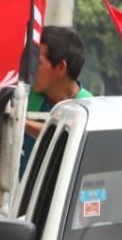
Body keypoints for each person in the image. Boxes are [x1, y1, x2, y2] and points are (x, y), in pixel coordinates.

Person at [21, 25, 94, 167]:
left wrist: (20, 121)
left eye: (38, 62)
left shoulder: (87, 107)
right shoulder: (26, 95)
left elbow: (66, 135)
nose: (30, 67)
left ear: (60, 67)